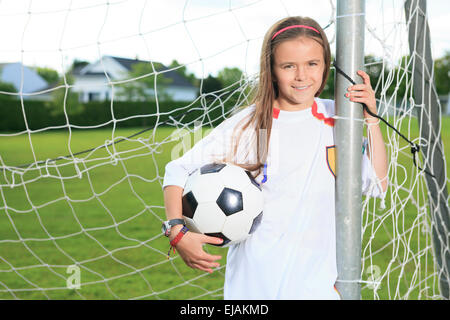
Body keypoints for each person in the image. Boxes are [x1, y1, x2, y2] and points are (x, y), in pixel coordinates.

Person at [162, 16, 388, 299]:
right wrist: (177, 231)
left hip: (317, 287)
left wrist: (371, 119)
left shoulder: (338, 119)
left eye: (312, 64)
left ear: (326, 65)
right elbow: (178, 169)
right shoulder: (251, 123)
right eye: (288, 66)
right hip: (255, 285)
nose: (301, 76)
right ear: (271, 69)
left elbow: (378, 183)